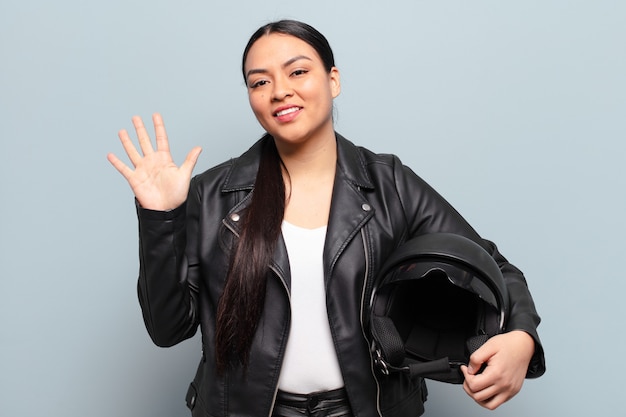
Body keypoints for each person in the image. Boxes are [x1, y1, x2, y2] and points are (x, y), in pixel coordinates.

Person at [107, 19, 545, 417]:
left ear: (333, 80)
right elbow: (168, 329)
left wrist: (521, 338)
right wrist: (160, 217)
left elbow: (494, 267)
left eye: (297, 72)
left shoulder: (389, 183)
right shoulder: (212, 194)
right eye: (259, 82)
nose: (279, 91)